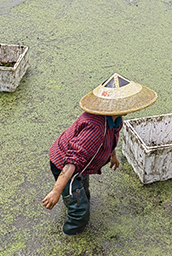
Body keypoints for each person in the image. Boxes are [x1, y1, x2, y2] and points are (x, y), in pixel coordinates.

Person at [42, 73, 157, 235]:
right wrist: (55, 191)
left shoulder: (115, 119)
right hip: (64, 164)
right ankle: (70, 235)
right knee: (79, 211)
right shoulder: (95, 128)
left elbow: (111, 137)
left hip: (80, 166)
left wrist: (113, 155)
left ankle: (74, 198)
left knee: (82, 191)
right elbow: (72, 162)